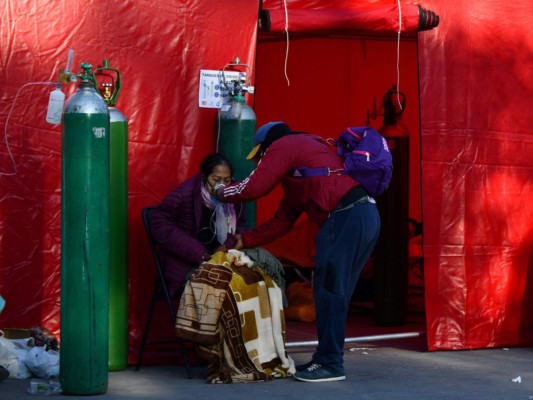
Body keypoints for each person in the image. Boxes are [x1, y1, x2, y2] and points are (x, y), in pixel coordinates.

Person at [214, 121, 381, 383]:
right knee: (333, 293)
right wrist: (243, 240)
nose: (261, 163)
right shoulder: (300, 174)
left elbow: (253, 187)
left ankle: (331, 364)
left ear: (269, 146)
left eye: (261, 156)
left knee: (329, 292)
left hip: (345, 217)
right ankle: (325, 359)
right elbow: (282, 222)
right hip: (363, 216)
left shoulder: (286, 144)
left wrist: (220, 191)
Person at [150, 153, 246, 297]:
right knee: (226, 285)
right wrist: (200, 254)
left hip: (220, 260)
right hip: (187, 264)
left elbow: (239, 227)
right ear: (203, 178)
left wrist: (226, 247)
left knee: (253, 278)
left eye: (226, 180)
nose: (222, 186)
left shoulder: (233, 197)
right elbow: (158, 222)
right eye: (216, 179)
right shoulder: (185, 194)